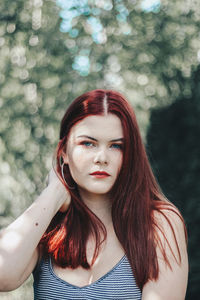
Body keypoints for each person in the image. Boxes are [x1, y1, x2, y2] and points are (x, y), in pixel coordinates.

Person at [0, 89, 188, 299]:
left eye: (116, 146)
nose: (101, 157)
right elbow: (3, 272)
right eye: (88, 143)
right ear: (63, 152)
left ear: (130, 155)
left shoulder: (159, 223)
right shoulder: (47, 224)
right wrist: (54, 192)